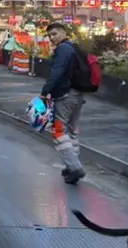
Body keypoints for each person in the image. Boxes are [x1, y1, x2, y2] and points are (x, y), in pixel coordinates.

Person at [41, 22, 86, 184]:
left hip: (65, 96)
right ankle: (71, 165)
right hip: (78, 94)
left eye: (54, 34)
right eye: (49, 35)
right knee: (72, 131)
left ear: (63, 33)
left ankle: (75, 168)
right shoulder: (73, 47)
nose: (51, 38)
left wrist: (45, 91)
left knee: (59, 131)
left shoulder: (63, 49)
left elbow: (57, 71)